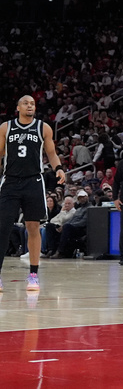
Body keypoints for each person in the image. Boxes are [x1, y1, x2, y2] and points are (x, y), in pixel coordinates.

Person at [0, 95, 66, 292]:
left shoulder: (43, 127)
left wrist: (59, 168)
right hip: (10, 181)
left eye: (33, 104)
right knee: (3, 228)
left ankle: (33, 274)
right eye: (26, 103)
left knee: (33, 226)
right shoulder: (6, 127)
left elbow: (51, 153)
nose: (30, 106)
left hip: (34, 181)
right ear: (18, 107)